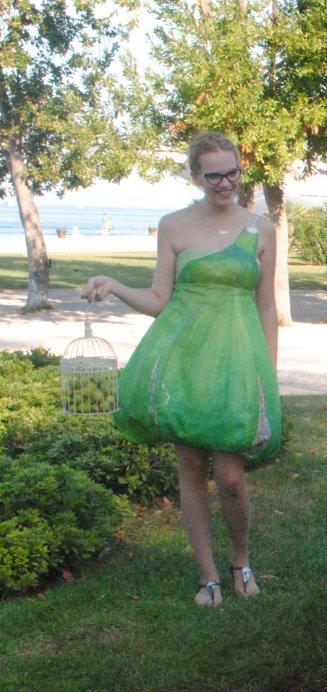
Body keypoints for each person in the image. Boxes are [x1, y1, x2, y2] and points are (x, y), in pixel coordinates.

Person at [82, 131, 281, 608]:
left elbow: (267, 307)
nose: (226, 182)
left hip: (237, 362)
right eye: (214, 175)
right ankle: (208, 575)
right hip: (183, 360)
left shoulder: (262, 228)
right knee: (191, 469)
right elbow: (158, 301)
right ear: (196, 177)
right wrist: (114, 286)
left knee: (231, 476)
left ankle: (241, 559)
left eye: (232, 172)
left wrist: (267, 375)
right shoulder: (173, 225)